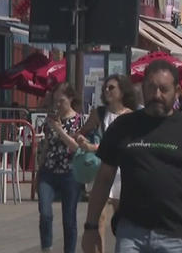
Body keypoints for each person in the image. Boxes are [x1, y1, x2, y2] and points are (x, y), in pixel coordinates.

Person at [82, 60, 182, 253]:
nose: (157, 95)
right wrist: (91, 227)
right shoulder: (123, 127)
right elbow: (104, 178)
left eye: (163, 89)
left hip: (177, 235)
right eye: (151, 88)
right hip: (131, 234)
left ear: (177, 91)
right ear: (142, 89)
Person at [75, 74, 135, 251]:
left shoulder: (132, 116)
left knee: (122, 219)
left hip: (122, 173)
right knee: (99, 218)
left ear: (122, 91)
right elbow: (82, 132)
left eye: (112, 88)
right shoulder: (99, 113)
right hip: (101, 170)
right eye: (105, 88)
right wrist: (81, 141)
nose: (107, 90)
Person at [37, 82, 84, 253]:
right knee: (45, 212)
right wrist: (39, 168)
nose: (58, 105)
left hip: (70, 173)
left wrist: (59, 129)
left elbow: (76, 147)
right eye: (55, 101)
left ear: (70, 99)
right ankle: (46, 247)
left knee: (69, 219)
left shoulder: (79, 120)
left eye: (61, 101)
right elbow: (47, 145)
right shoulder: (50, 120)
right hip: (48, 171)